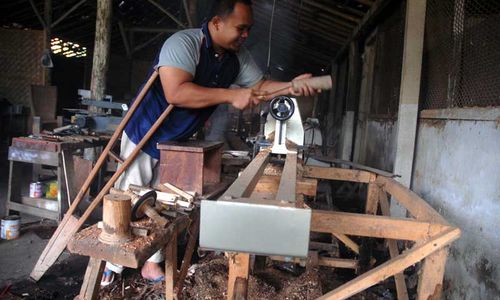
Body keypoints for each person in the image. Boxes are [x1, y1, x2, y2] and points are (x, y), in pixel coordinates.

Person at [101, 0, 321, 286]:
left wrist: (291, 86)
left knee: (167, 203)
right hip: (146, 133)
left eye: (248, 30)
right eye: (241, 28)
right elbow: (176, 93)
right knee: (130, 201)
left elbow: (260, 87)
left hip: (179, 140)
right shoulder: (184, 43)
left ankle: (151, 265)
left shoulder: (235, 58)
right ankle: (112, 266)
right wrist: (231, 95)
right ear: (217, 22)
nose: (245, 35)